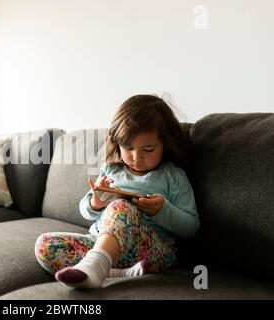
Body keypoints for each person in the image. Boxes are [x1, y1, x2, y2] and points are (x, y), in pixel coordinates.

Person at [34, 94, 200, 288]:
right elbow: (85, 210)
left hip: (152, 251)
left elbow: (191, 227)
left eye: (148, 149)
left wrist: (162, 210)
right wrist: (96, 203)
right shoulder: (111, 170)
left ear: (166, 144)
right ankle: (120, 272)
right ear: (118, 143)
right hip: (102, 243)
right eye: (128, 148)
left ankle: (95, 266)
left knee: (121, 207)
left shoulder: (172, 176)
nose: (137, 157)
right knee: (45, 245)